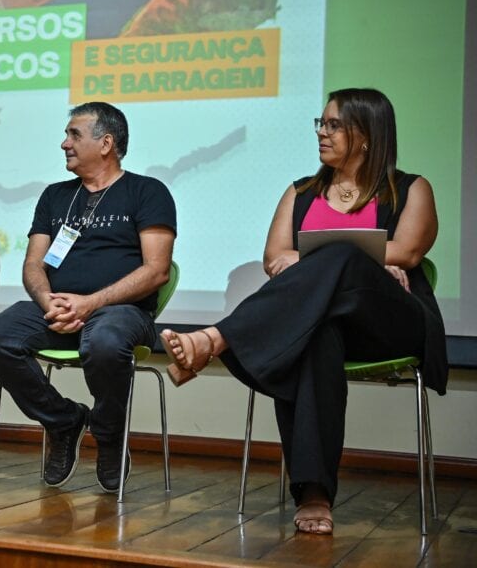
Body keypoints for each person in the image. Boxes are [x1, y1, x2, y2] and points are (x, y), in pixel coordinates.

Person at [160, 87, 445, 535]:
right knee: (315, 338)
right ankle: (313, 491)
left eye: (334, 125)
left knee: (343, 256)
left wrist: (331, 255)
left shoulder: (410, 189)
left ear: (367, 134)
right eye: (321, 123)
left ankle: (216, 338)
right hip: (327, 321)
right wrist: (369, 255)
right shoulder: (302, 192)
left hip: (392, 320)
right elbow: (274, 258)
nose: (322, 133)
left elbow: (407, 252)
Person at [0, 102, 176, 494]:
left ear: (106, 143)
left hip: (122, 312)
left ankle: (108, 434)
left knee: (103, 341)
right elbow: (34, 263)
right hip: (57, 308)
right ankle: (63, 420)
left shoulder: (147, 192)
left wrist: (90, 304)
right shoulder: (55, 196)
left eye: (74, 135)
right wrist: (48, 300)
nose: (64, 143)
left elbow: (157, 271)